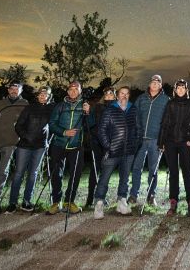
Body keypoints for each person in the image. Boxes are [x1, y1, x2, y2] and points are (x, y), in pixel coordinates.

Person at [93, 85, 140, 219]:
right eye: (121, 93)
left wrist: (134, 145)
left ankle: (121, 202)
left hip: (128, 152)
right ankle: (99, 203)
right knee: (104, 178)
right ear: (117, 95)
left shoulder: (133, 109)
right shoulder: (109, 110)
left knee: (124, 179)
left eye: (127, 93)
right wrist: (109, 147)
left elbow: (139, 129)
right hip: (112, 152)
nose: (124, 96)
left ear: (129, 96)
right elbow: (101, 131)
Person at [47, 81, 91, 215]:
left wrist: (88, 112)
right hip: (59, 144)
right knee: (56, 174)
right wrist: (64, 132)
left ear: (80, 91)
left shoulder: (85, 105)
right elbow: (52, 124)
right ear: (67, 91)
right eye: (71, 89)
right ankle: (56, 202)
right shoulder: (60, 106)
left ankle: (69, 202)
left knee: (75, 174)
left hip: (76, 145)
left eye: (76, 89)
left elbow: (91, 124)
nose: (73, 91)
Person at [158, 78, 190, 217]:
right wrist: (161, 142)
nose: (181, 90)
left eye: (183, 88)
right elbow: (164, 123)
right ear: (175, 90)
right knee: (173, 173)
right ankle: (173, 202)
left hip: (185, 142)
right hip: (170, 142)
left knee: (187, 172)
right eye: (178, 88)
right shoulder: (170, 103)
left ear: (186, 90)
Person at [0, 82, 28, 212]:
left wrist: (18, 138)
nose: (14, 91)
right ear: (8, 90)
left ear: (21, 90)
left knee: (2, 173)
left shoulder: (25, 104)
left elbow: (26, 123)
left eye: (16, 89)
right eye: (11, 88)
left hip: (11, 144)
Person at [7, 86, 53, 212]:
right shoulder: (29, 108)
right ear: (37, 95)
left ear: (49, 96)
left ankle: (26, 201)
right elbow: (18, 126)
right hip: (25, 145)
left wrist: (48, 140)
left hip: (40, 146)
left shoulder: (51, 109)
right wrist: (26, 137)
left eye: (46, 94)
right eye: (41, 93)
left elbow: (53, 125)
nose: (43, 96)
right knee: (19, 173)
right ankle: (12, 202)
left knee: (33, 174)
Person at [128, 74, 169, 206]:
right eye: (153, 81)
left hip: (155, 140)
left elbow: (167, 121)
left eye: (158, 82)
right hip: (140, 139)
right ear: (150, 84)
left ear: (161, 85)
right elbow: (134, 115)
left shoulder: (166, 100)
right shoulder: (141, 98)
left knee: (153, 169)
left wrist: (164, 139)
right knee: (136, 167)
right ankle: (133, 194)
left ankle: (151, 195)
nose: (155, 83)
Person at [84, 86, 115, 208]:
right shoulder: (97, 107)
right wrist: (87, 113)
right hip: (97, 143)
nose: (108, 95)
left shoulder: (118, 108)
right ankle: (90, 197)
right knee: (94, 170)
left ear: (115, 96)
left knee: (105, 172)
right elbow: (90, 123)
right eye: (106, 94)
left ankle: (101, 197)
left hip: (109, 144)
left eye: (111, 94)